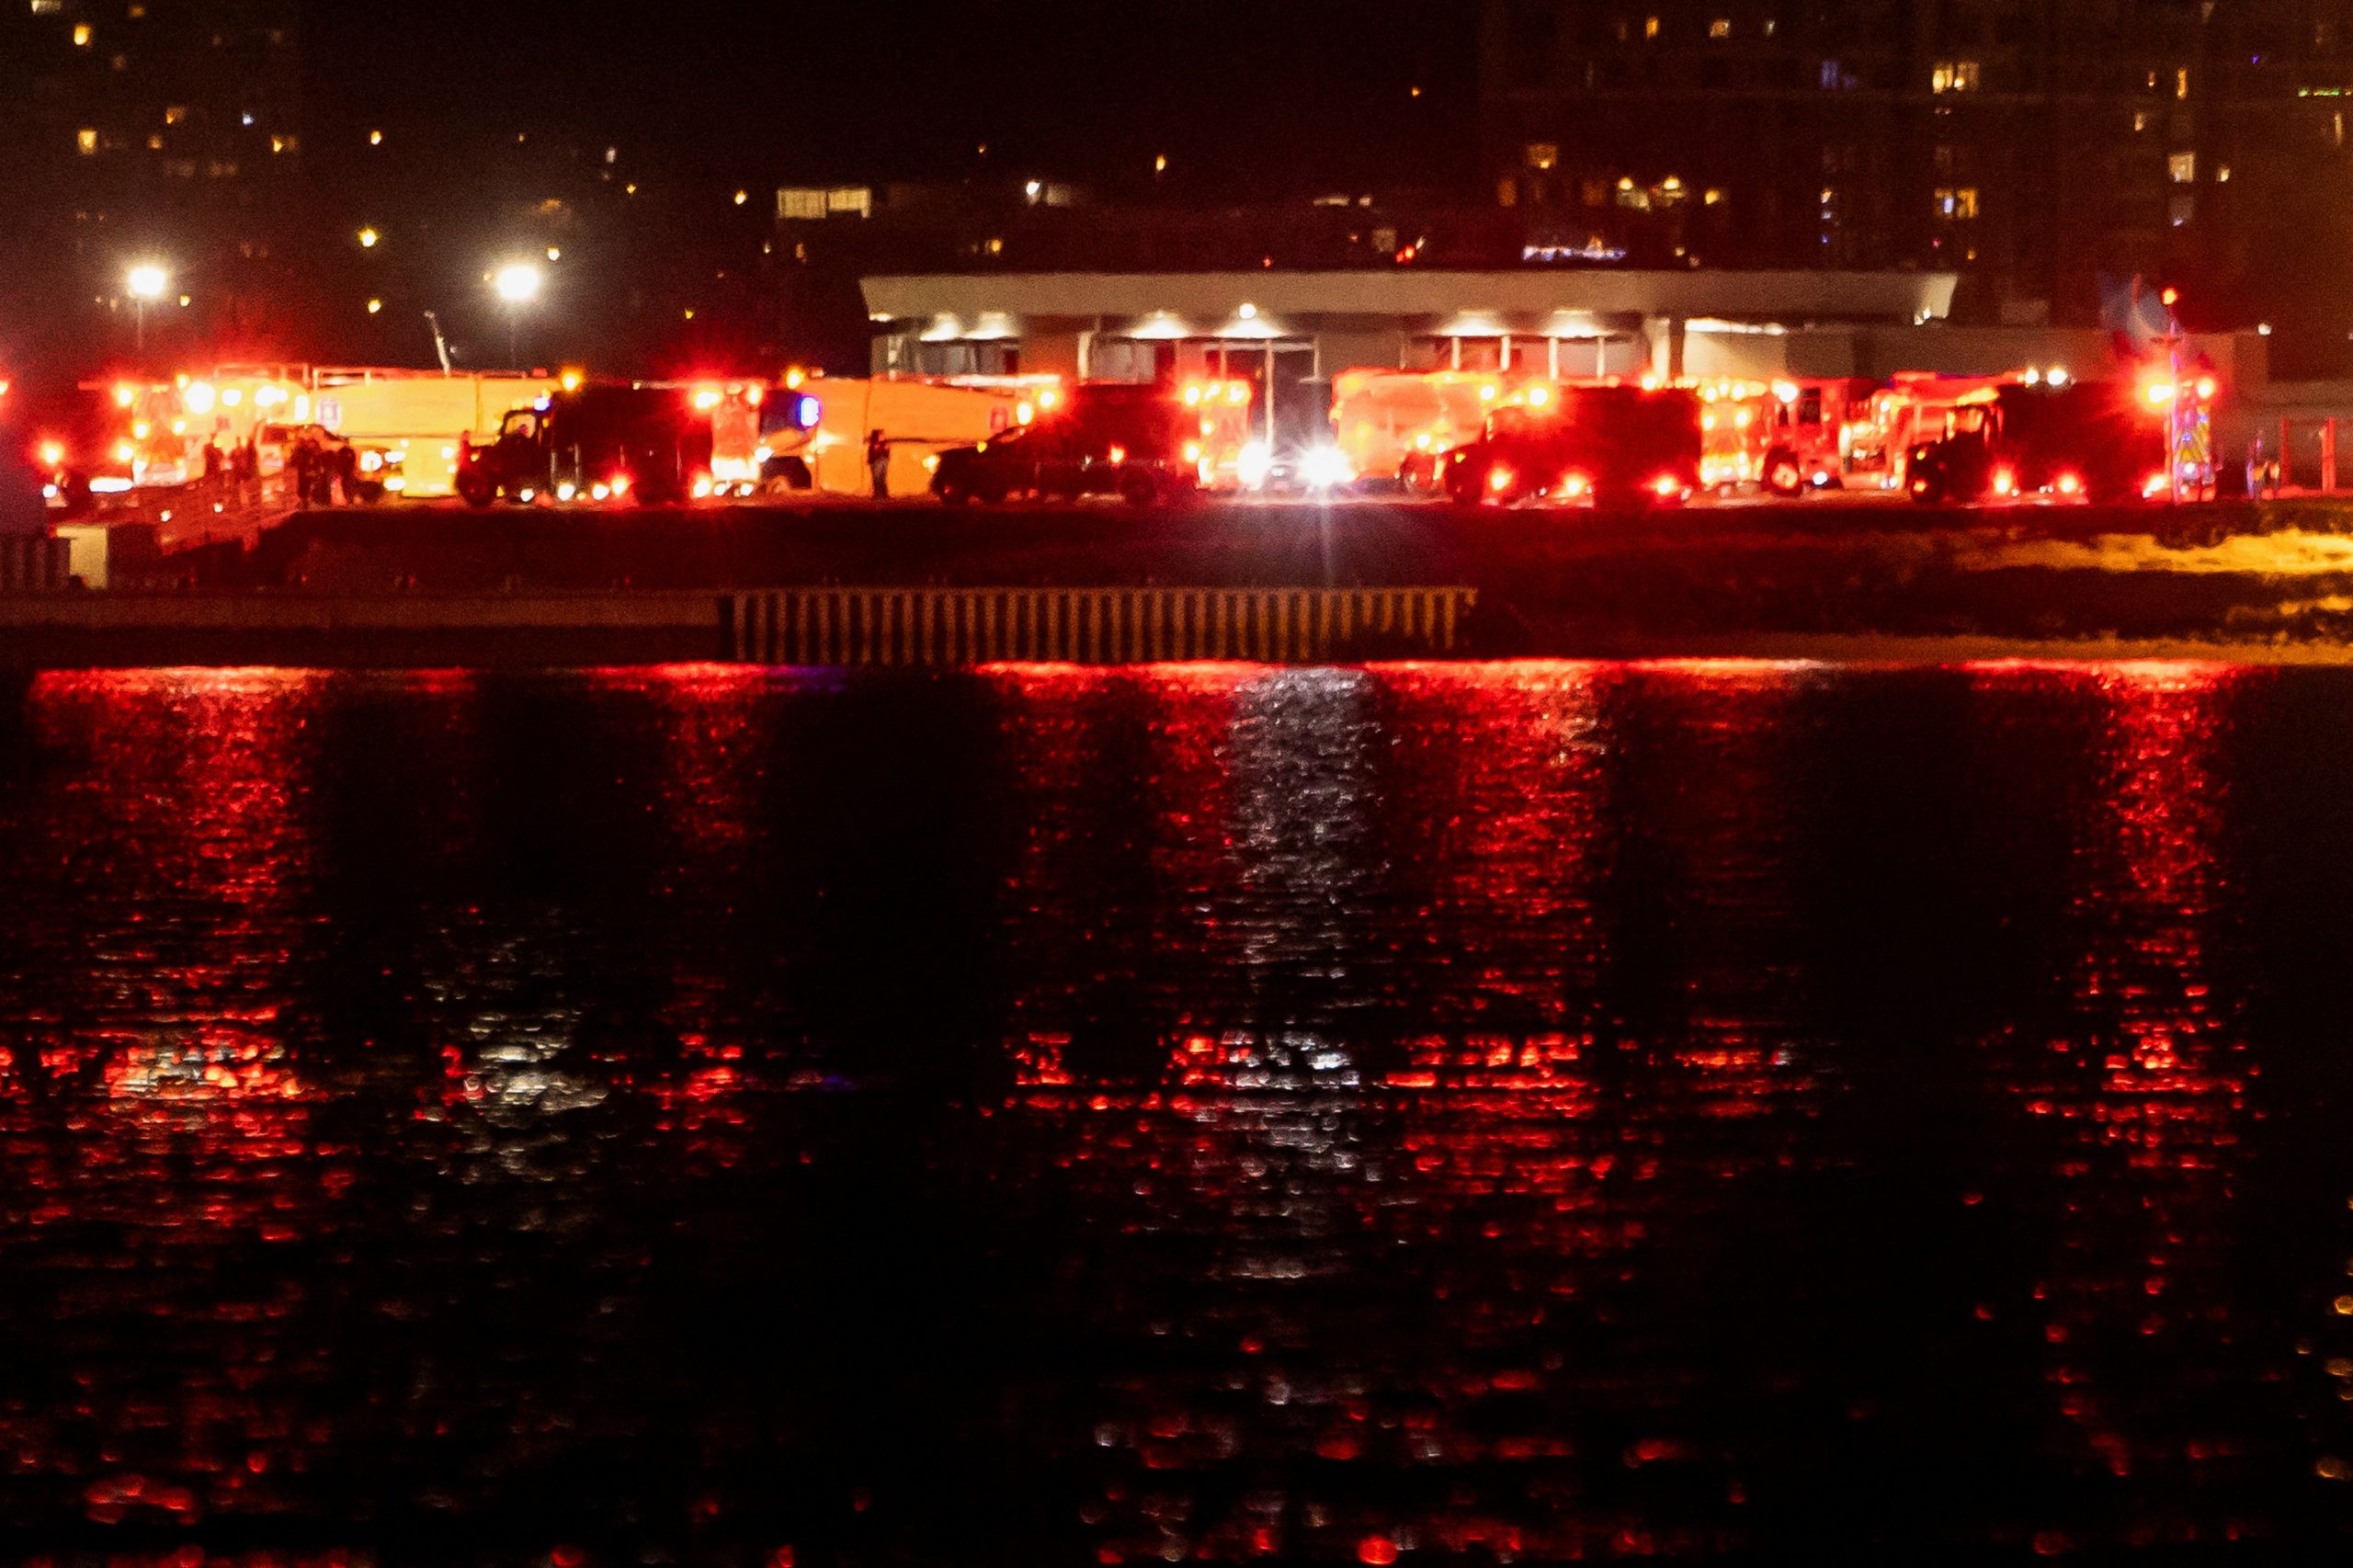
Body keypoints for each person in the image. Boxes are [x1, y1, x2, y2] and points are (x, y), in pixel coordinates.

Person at [866, 429, 891, 499]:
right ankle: (878, 495)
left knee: (882, 479)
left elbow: (887, 453)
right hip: (876, 462)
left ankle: (883, 495)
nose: (882, 436)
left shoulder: (884, 444)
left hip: (883, 462)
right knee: (877, 479)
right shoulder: (873, 444)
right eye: (881, 434)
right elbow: (872, 454)